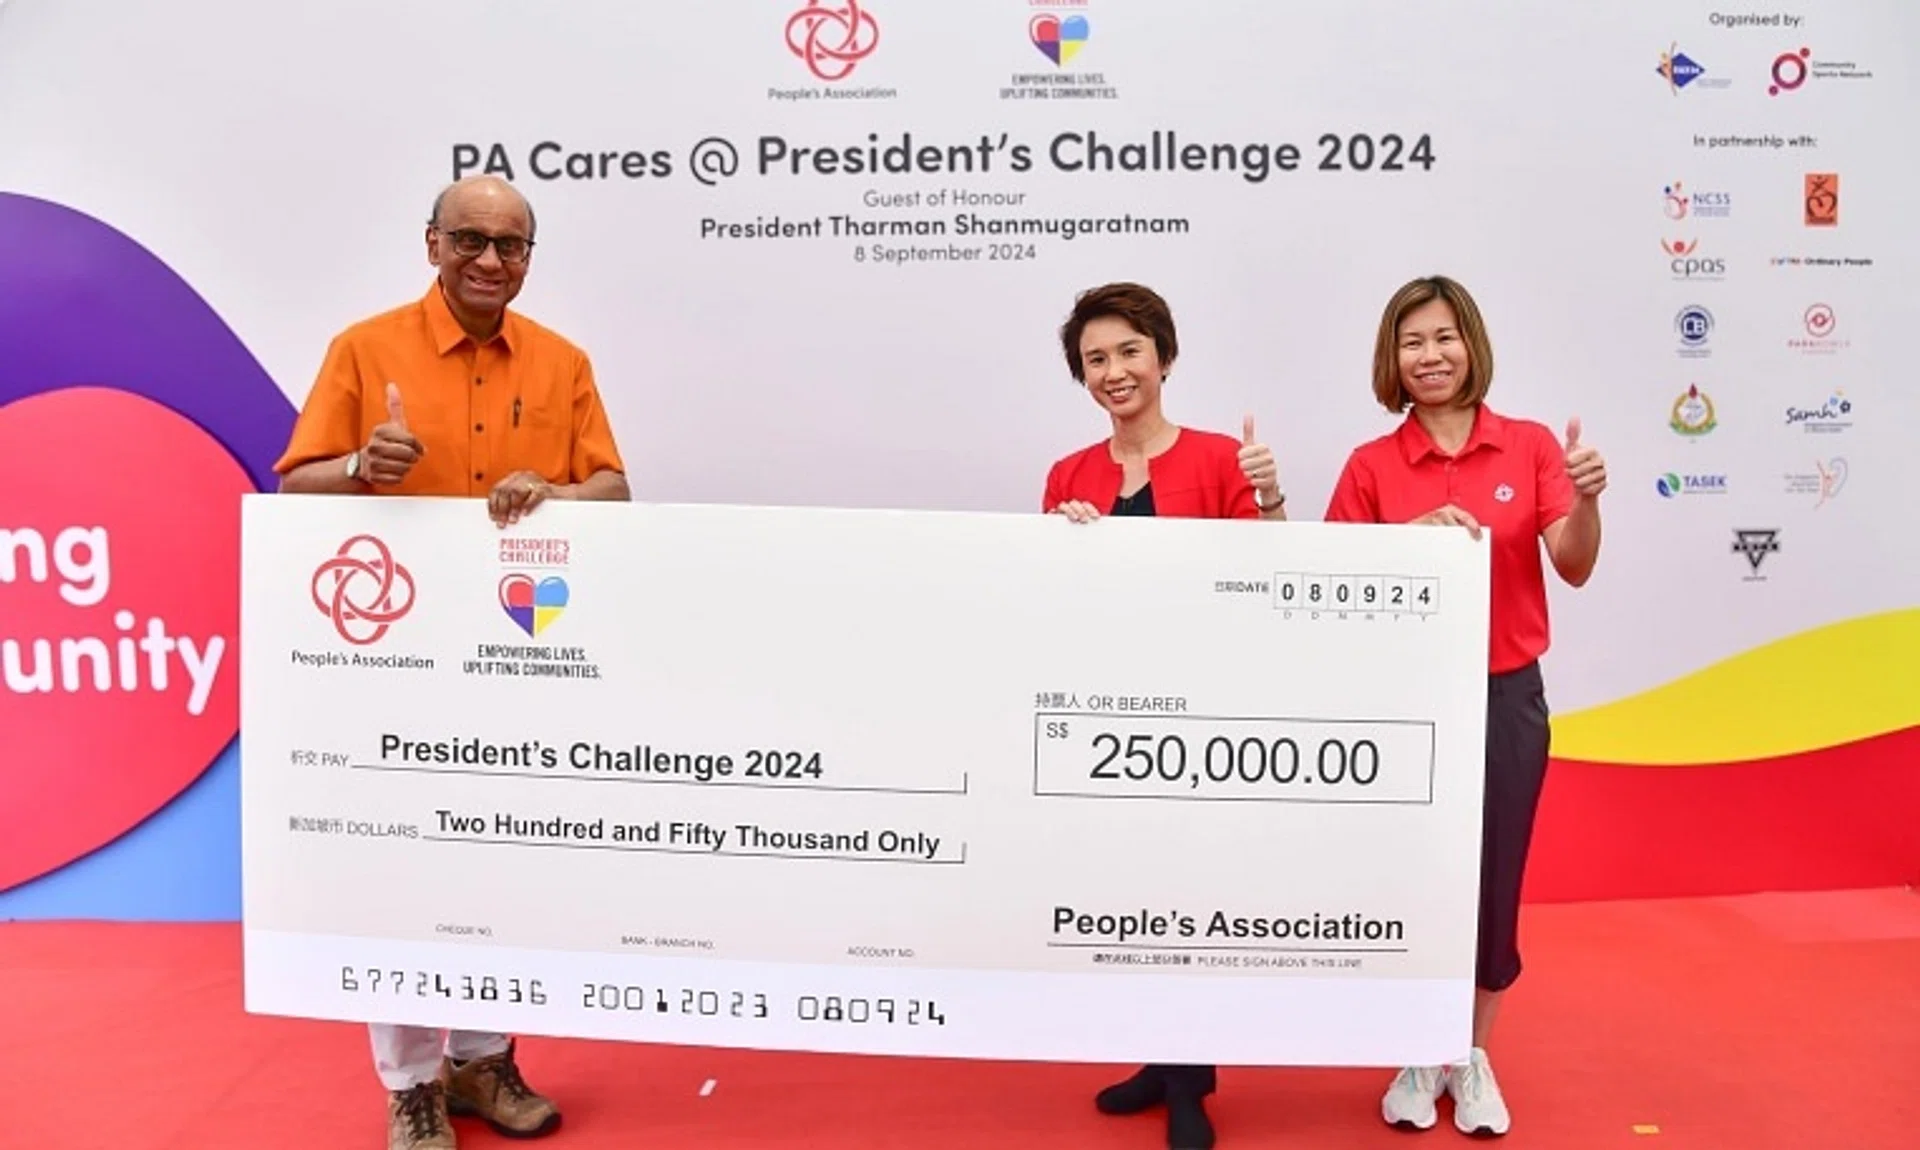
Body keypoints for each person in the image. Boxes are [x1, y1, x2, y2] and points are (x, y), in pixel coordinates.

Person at [273, 174, 630, 1150]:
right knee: (394, 866)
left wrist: (556, 494)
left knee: (497, 852)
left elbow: (615, 484)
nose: (489, 260)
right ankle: (411, 1082)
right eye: (469, 239)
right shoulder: (364, 347)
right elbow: (293, 487)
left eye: (510, 245)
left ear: (527, 258)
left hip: (520, 658)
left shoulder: (562, 361)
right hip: (387, 661)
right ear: (431, 243)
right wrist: (358, 470)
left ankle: (484, 1058)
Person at [1323, 274, 1606, 1138]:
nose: (1430, 355)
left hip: (1504, 695)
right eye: (1413, 342)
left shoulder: (1527, 447)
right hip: (1405, 705)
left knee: (1492, 881)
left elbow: (1576, 562)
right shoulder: (1371, 465)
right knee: (1414, 877)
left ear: (1471, 344)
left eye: (1444, 337)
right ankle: (1419, 1045)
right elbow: (1329, 589)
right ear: (1392, 359)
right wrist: (1400, 547)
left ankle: (1471, 1053)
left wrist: (1587, 499)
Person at [1044, 282, 1286, 1150]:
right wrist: (1064, 543)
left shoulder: (1225, 458)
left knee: (1194, 901)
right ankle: (1158, 1058)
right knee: (1132, 899)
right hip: (1113, 720)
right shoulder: (1067, 477)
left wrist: (1271, 501)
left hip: (1209, 716)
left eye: (1129, 352)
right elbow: (1053, 608)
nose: (1114, 372)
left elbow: (1268, 584)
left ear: (1166, 358)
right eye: (1096, 360)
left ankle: (1191, 1084)